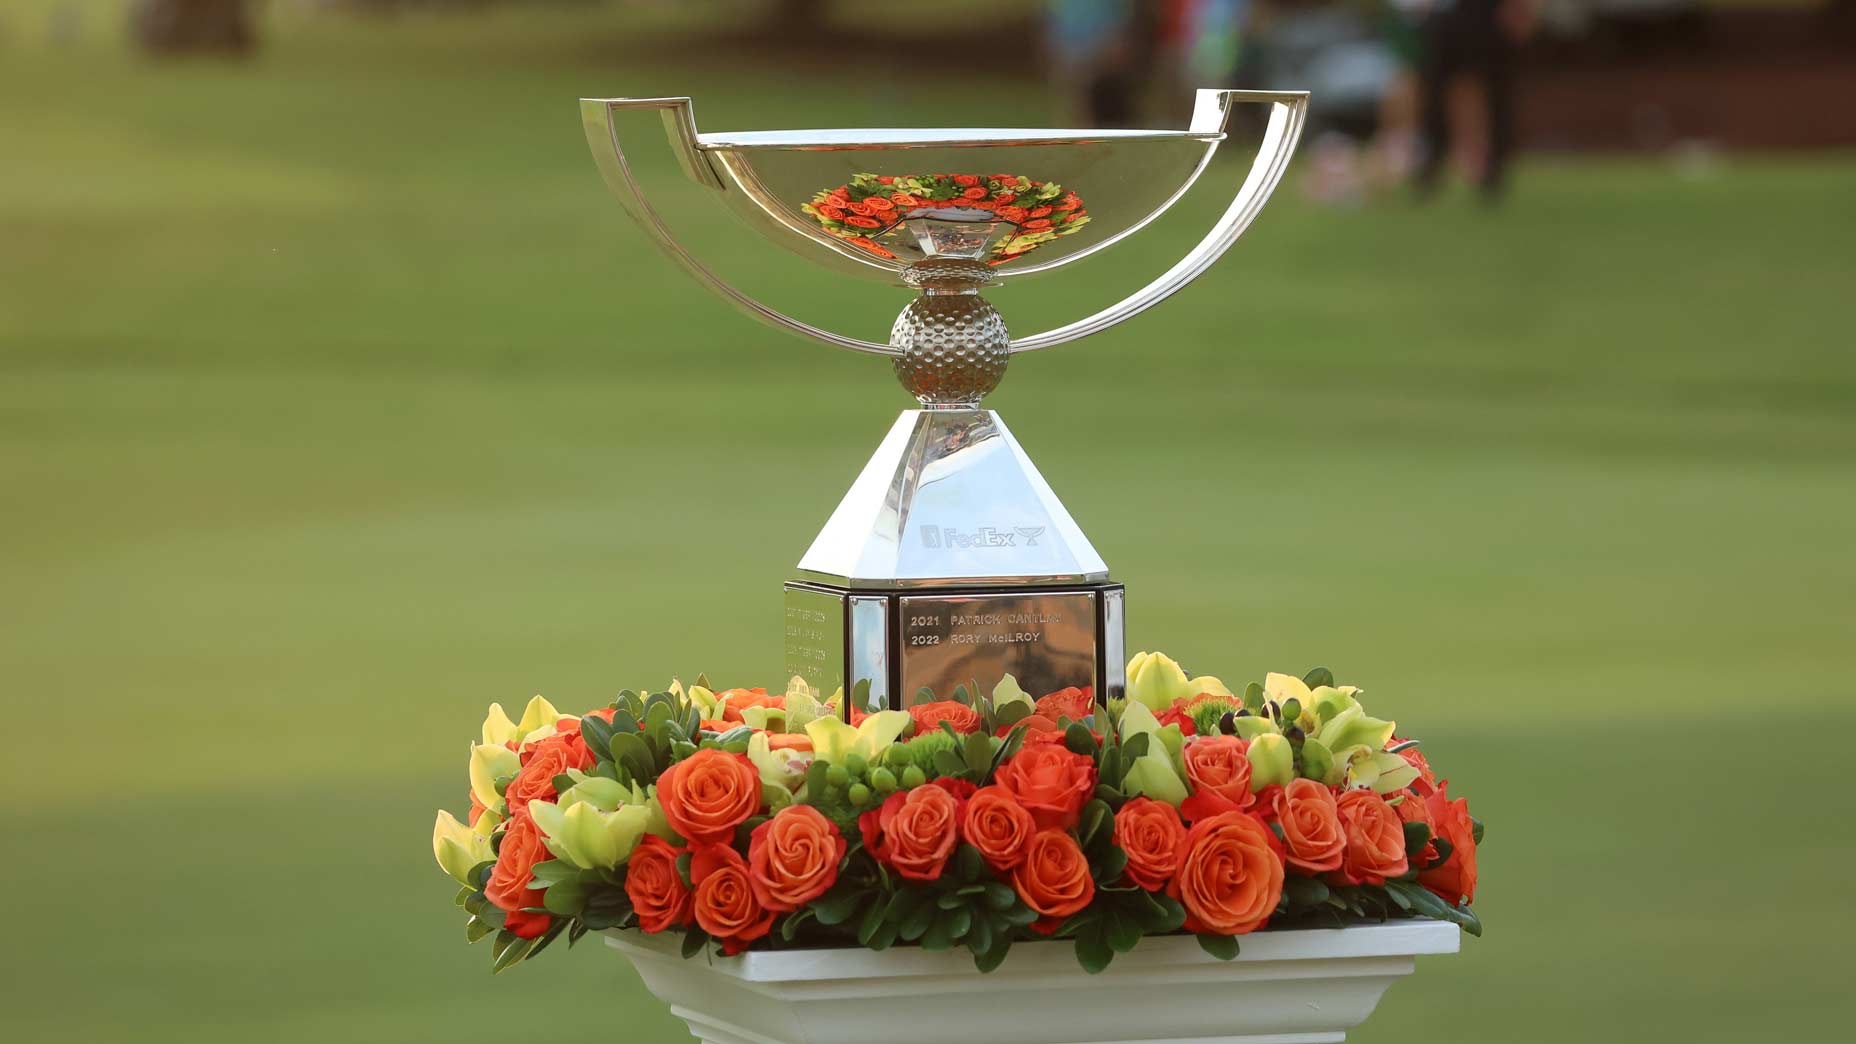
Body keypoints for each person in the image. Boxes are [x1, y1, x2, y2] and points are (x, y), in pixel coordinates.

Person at [1413, 0, 1534, 201]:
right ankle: (1431, 161)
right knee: (1435, 93)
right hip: (1446, 13)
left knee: (1497, 93)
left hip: (1489, 12)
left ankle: (1493, 168)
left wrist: (1520, 6)